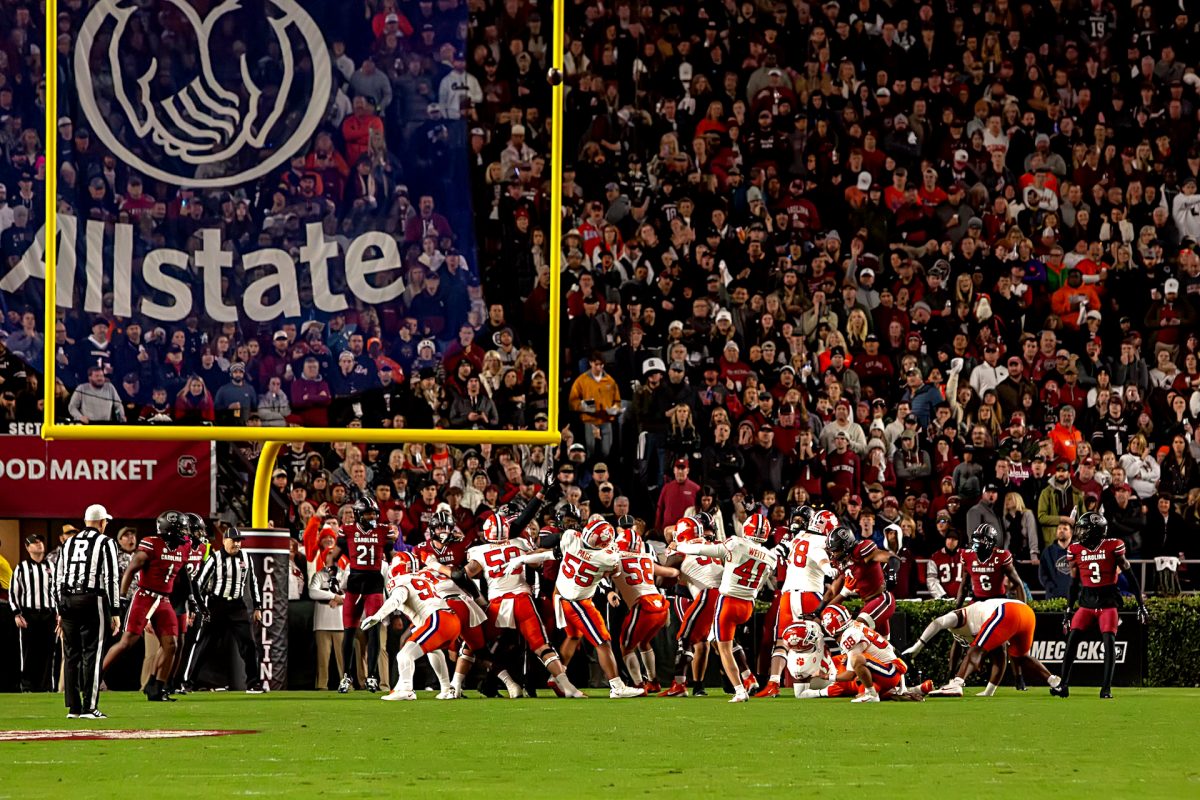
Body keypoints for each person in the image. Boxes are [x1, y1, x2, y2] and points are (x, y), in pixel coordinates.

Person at [671, 512, 778, 704]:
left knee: (724, 649)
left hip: (728, 601)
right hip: (748, 605)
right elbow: (762, 583)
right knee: (721, 643)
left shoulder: (736, 543)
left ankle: (739, 690)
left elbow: (705, 551)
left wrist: (680, 546)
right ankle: (747, 679)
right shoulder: (771, 557)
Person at [1053, 512, 1148, 699]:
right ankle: (1063, 685)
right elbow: (1073, 584)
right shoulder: (1076, 549)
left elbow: (1130, 575)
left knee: (1109, 643)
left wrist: (1140, 604)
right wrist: (1068, 610)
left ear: (1095, 530)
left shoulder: (1113, 546)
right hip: (1086, 602)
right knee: (1071, 642)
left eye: (1085, 528)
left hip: (1107, 602)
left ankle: (1106, 688)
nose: (1081, 532)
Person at [549, 518, 645, 698]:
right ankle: (617, 686)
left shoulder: (571, 538)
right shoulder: (606, 557)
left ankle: (557, 677)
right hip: (579, 602)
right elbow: (615, 571)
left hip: (560, 596)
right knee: (603, 641)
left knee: (573, 637)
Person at [101, 510, 190, 702]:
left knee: (171, 645)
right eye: (181, 529)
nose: (185, 533)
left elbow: (184, 579)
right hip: (144, 596)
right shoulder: (152, 544)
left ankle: (156, 687)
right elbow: (131, 569)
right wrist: (122, 598)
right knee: (127, 642)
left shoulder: (183, 548)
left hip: (164, 600)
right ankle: (94, 677)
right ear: (168, 530)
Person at [904, 597, 1061, 697]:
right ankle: (1053, 680)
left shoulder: (959, 616)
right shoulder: (982, 620)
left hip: (1007, 611)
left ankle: (956, 684)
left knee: (976, 649)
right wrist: (988, 692)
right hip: (1026, 613)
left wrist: (918, 645)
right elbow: (1000, 659)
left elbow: (938, 622)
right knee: (1020, 656)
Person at [53, 504, 121, 719]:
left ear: (85, 522)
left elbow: (58, 578)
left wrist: (59, 610)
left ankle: (73, 708)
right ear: (102, 522)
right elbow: (112, 578)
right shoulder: (106, 542)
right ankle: (89, 707)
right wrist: (116, 611)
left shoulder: (69, 543)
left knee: (71, 654)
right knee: (93, 652)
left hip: (68, 600)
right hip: (93, 599)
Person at [757, 507, 832, 698]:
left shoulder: (795, 539)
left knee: (782, 641)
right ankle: (834, 677)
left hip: (788, 595)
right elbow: (818, 554)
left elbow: (773, 555)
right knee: (826, 637)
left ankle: (774, 682)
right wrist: (828, 567)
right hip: (810, 594)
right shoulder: (821, 540)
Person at [364, 553, 457, 701]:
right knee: (433, 651)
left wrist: (378, 615)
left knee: (404, 655)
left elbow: (396, 599)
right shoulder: (422, 577)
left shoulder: (401, 581)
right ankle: (446, 689)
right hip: (449, 619)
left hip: (437, 619)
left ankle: (407, 690)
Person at [182, 527, 265, 694]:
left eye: (239, 541)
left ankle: (253, 683)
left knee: (248, 644)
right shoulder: (215, 559)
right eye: (234, 540)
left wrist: (257, 606)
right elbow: (198, 583)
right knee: (203, 644)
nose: (237, 544)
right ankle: (188, 682)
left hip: (237, 605)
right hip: (216, 605)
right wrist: (201, 606)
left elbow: (253, 582)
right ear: (224, 541)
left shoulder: (246, 558)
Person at [658, 513, 723, 697]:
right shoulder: (711, 546)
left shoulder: (682, 549)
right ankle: (745, 679)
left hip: (705, 595)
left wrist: (666, 556)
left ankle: (680, 685)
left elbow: (662, 581)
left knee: (688, 639)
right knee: (717, 640)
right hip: (712, 594)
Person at [335, 495, 393, 693]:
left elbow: (393, 558)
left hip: (375, 584)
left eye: (374, 513)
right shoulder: (348, 531)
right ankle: (346, 676)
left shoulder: (384, 531)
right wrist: (331, 575)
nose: (372, 517)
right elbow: (332, 556)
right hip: (354, 584)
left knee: (374, 630)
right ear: (359, 514)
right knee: (349, 632)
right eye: (368, 513)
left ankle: (372, 676)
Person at [610, 518, 676, 693]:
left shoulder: (615, 558)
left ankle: (639, 684)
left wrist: (609, 591)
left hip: (643, 606)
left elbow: (602, 574)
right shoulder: (646, 556)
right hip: (660, 604)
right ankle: (653, 681)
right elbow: (669, 572)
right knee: (644, 642)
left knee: (625, 646)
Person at [821, 524, 898, 637]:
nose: (833, 554)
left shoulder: (861, 551)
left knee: (856, 633)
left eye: (835, 550)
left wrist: (892, 575)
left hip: (881, 599)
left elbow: (893, 559)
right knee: (884, 649)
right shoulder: (843, 564)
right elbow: (832, 592)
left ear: (846, 546)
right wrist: (818, 611)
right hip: (869, 603)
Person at [10, 535, 56, 692]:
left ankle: (46, 686)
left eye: (40, 542)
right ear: (27, 547)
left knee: (49, 651)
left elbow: (57, 591)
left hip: (49, 614)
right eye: (34, 543)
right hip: (29, 615)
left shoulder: (51, 566)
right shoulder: (21, 567)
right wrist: (17, 613)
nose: (39, 545)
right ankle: (27, 685)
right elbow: (13, 592)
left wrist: (59, 612)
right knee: (29, 652)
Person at [956, 524, 1029, 605]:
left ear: (991, 541)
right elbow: (964, 585)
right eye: (975, 538)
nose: (976, 541)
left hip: (998, 601)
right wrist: (957, 608)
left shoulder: (1001, 556)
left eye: (981, 538)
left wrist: (1023, 607)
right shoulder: (967, 556)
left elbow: (1018, 583)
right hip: (977, 601)